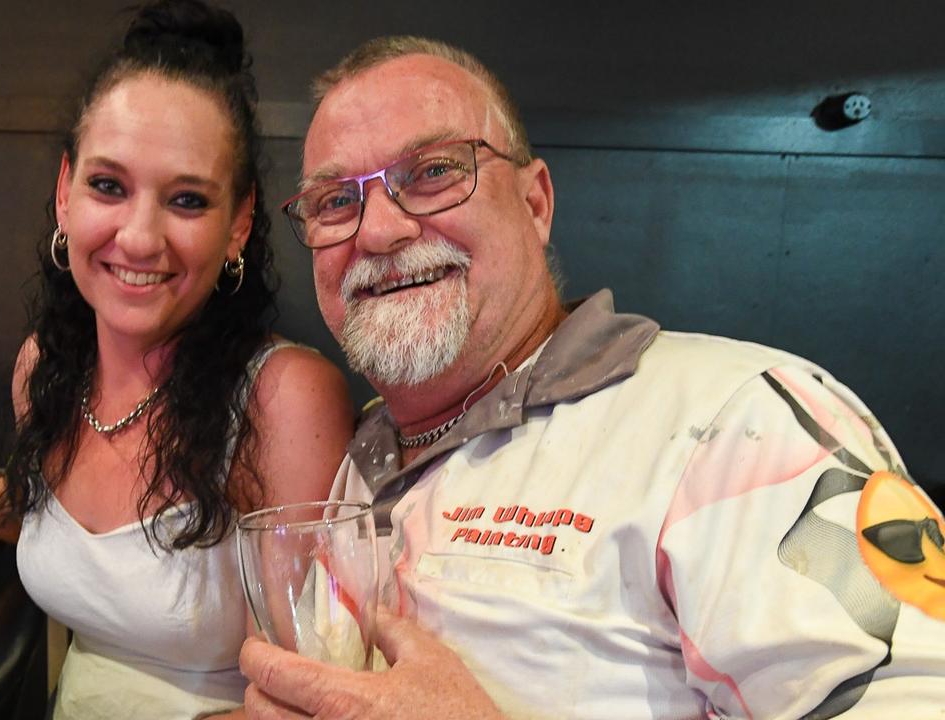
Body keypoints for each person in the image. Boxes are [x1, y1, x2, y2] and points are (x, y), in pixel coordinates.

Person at [238, 36, 945, 719]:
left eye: (431, 172)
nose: (378, 230)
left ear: (535, 203)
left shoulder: (740, 423)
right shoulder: (359, 453)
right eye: (335, 201)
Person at [0, 3, 354, 718]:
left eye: (186, 199)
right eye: (108, 186)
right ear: (65, 192)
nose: (139, 236)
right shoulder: (43, 369)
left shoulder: (285, 399)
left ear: (239, 223)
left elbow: (302, 700)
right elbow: (39, 513)